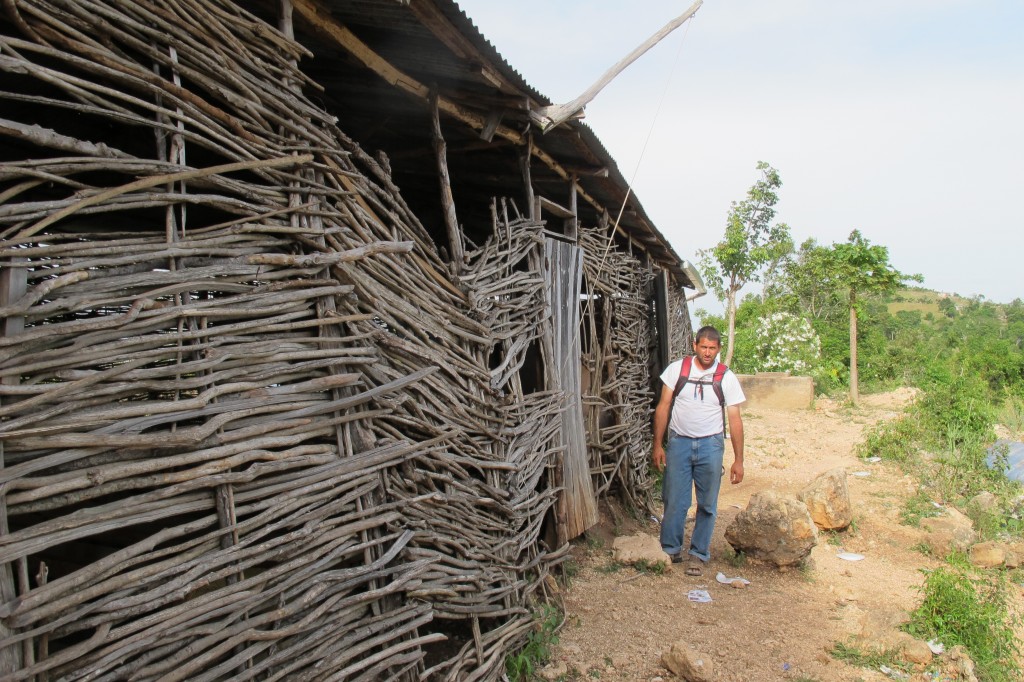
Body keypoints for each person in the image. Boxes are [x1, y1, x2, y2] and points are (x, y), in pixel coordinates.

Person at [652, 326, 745, 576]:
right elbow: (663, 407)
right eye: (703, 347)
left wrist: (739, 460)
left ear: (718, 349)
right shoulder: (677, 370)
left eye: (712, 348)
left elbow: (735, 419)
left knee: (707, 504)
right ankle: (670, 548)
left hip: (711, 445)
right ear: (695, 345)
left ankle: (698, 554)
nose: (707, 352)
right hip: (679, 443)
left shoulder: (726, 377)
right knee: (675, 500)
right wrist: (658, 445)